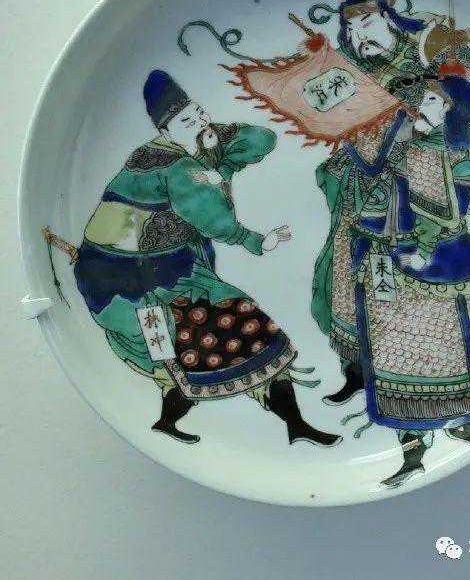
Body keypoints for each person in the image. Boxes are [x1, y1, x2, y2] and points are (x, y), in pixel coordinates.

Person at [311, 0, 470, 485]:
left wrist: (437, 95)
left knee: (434, 323)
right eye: (351, 30)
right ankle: (370, 387)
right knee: (361, 305)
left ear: (390, 19)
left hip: (425, 214)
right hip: (369, 213)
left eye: (368, 24)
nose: (360, 37)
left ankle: (462, 417)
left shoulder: (428, 60)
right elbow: (351, 138)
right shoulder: (357, 75)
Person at [74, 69, 340, 447]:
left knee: (185, 348)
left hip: (149, 270)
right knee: (217, 333)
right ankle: (288, 423)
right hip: (135, 282)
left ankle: (286, 424)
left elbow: (262, 140)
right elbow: (213, 220)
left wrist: (215, 150)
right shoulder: (178, 167)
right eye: (187, 121)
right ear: (167, 132)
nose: (199, 121)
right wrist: (254, 240)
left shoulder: (166, 152)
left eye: (198, 112)